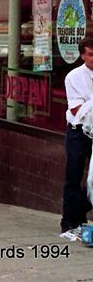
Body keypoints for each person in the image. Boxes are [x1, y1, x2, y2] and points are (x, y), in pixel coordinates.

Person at [61, 36, 93, 235]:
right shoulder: (73, 77)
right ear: (82, 55)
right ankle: (69, 220)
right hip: (78, 132)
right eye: (90, 54)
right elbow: (77, 110)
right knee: (74, 174)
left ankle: (80, 211)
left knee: (92, 179)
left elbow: (86, 106)